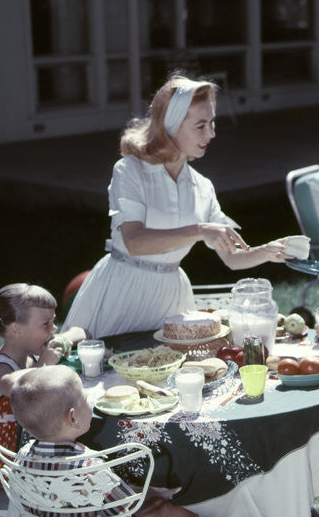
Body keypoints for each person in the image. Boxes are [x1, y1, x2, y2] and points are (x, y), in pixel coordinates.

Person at [62, 72, 289, 339]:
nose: (212, 133)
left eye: (212, 123)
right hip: (122, 290)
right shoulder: (130, 171)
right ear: (171, 125)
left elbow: (231, 257)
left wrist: (269, 251)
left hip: (171, 298)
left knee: (166, 373)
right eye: (201, 125)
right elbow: (135, 242)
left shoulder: (202, 187)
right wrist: (200, 230)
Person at [8, 365, 213, 517]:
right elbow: (128, 509)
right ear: (73, 418)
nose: (92, 403)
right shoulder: (88, 465)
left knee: (141, 504)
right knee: (159, 506)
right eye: (86, 399)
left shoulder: (23, 457)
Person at [0, 283, 89, 488]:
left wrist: (63, 340)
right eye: (46, 324)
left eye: (53, 321)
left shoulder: (30, 355)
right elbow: (21, 388)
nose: (53, 328)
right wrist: (45, 363)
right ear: (16, 329)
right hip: (3, 464)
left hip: (30, 450)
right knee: (80, 435)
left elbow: (80, 331)